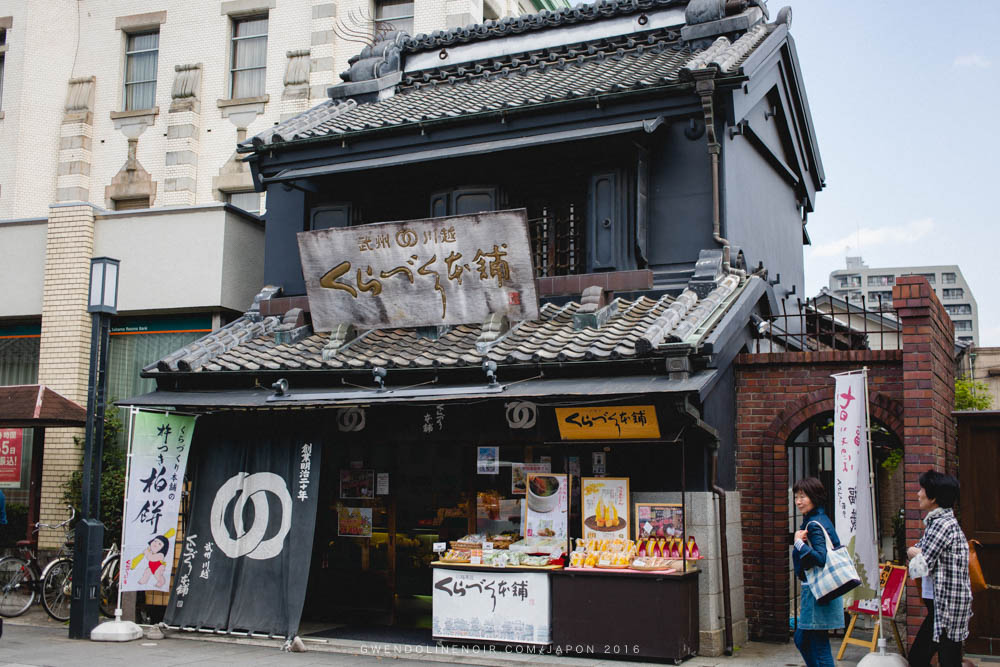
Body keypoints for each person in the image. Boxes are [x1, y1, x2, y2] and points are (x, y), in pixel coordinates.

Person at [907, 470, 972, 667]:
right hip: (943, 605)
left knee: (932, 658)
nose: (918, 494)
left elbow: (923, 563)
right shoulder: (939, 522)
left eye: (922, 489)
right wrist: (917, 552)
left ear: (934, 497)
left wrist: (913, 551)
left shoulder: (941, 525)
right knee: (939, 658)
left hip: (947, 606)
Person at [792, 476, 844, 667]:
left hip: (816, 591)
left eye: (802, 496)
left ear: (814, 497)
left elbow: (820, 558)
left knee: (819, 645)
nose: (798, 502)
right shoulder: (817, 519)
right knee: (802, 639)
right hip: (816, 590)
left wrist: (798, 543)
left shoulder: (814, 524)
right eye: (796, 496)